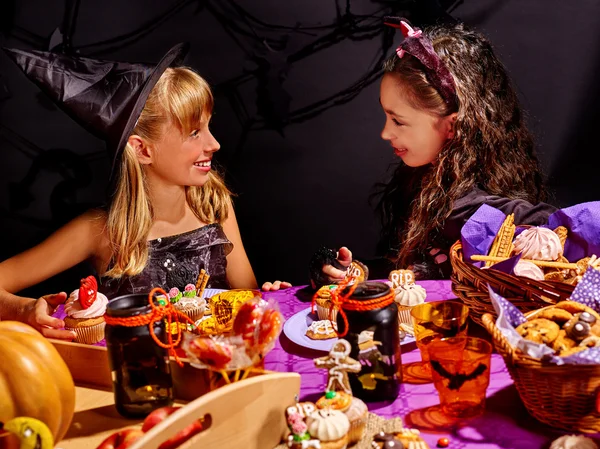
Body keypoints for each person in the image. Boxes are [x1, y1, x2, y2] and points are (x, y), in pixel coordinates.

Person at [0, 44, 289, 339]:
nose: (213, 144)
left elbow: (247, 297)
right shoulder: (101, 231)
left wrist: (268, 297)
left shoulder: (215, 205)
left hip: (215, 369)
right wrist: (23, 310)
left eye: (208, 127)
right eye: (194, 132)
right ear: (142, 149)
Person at [311, 19, 557, 286]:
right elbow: (413, 272)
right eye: (386, 116)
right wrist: (349, 272)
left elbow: (569, 232)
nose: (385, 133)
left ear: (451, 126)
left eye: (398, 121)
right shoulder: (426, 183)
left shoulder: (481, 210)